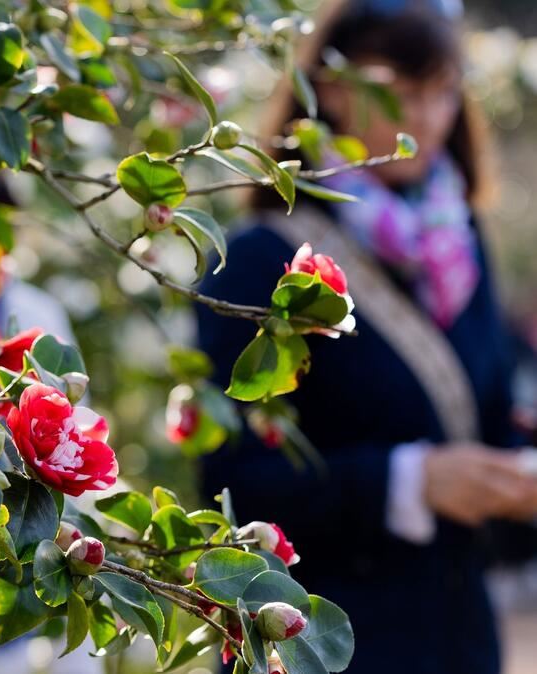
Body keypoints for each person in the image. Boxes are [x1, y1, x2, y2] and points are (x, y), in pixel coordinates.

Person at [196, 1, 537, 672]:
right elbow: (232, 485)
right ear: (328, 87)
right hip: (321, 643)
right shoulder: (261, 256)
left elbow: (488, 419)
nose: (427, 117)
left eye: (443, 91)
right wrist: (407, 481)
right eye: (402, 92)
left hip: (459, 636)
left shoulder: (459, 244)